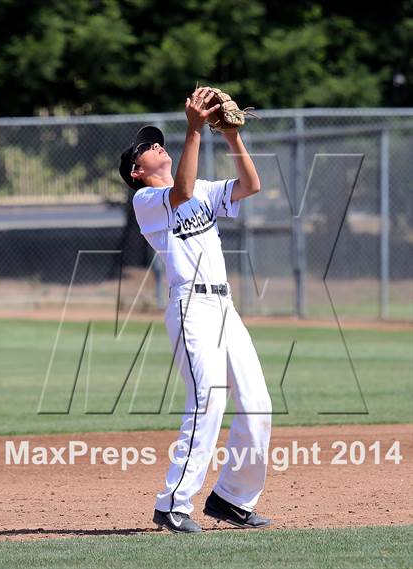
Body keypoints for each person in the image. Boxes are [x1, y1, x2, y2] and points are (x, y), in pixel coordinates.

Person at [119, 87, 272, 533]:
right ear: (137, 170)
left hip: (224, 306)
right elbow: (181, 191)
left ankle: (231, 498)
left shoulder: (204, 190)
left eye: (157, 141)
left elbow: (251, 185)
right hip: (191, 308)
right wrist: (194, 130)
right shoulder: (146, 203)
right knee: (208, 401)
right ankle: (172, 503)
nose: (155, 146)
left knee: (258, 404)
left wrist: (231, 137)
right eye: (147, 147)